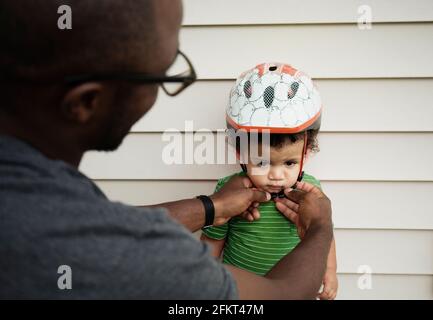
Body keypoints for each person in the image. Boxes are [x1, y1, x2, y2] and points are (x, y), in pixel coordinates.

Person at [0, 0, 333, 299]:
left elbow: (106, 229)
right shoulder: (89, 249)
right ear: (87, 101)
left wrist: (211, 207)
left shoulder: (33, 201)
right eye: (164, 75)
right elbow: (280, 295)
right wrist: (320, 226)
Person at [201, 63, 338, 300]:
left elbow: (324, 235)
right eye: (262, 162)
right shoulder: (229, 192)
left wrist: (329, 271)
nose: (276, 176)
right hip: (240, 293)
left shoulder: (311, 192)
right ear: (241, 155)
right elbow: (213, 241)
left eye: (289, 163)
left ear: (306, 154)